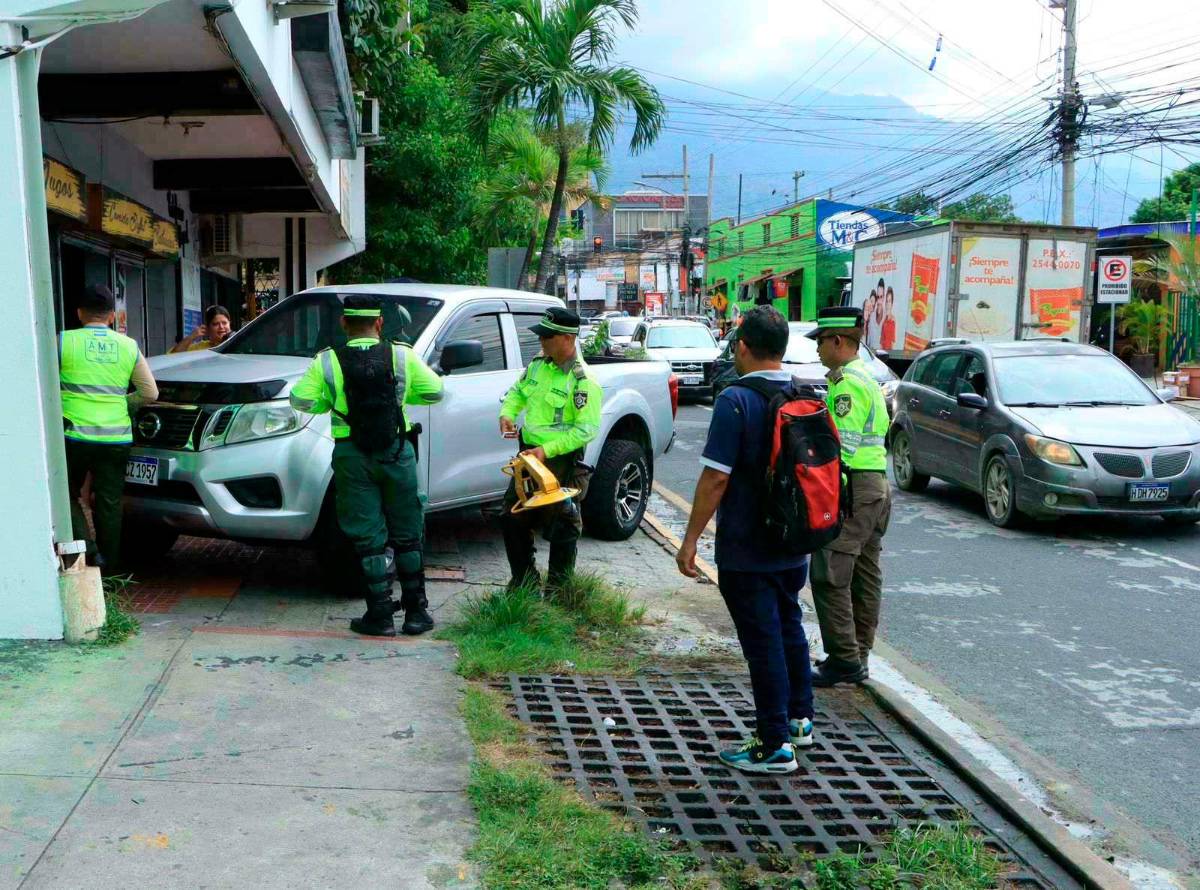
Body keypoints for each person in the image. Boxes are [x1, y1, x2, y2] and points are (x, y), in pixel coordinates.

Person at [677, 305, 815, 775]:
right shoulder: (803, 392)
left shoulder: (735, 400)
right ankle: (799, 720)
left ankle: (773, 743)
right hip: (794, 540)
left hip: (747, 546)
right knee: (789, 626)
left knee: (762, 644)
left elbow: (716, 479)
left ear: (741, 346)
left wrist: (690, 539)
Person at [288, 295, 444, 637]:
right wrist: (403, 397)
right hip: (397, 452)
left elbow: (299, 399)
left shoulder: (327, 361)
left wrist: (332, 401)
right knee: (407, 531)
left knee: (368, 536)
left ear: (344, 324)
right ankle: (416, 613)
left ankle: (380, 615)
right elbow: (436, 393)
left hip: (352, 456)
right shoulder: (402, 355)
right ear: (379, 323)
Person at [806, 307, 892, 686]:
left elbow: (841, 448)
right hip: (875, 486)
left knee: (829, 571)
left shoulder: (848, 385)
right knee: (864, 573)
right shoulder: (867, 379)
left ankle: (844, 658)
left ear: (838, 341)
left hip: (854, 487)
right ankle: (859, 654)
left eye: (821, 342)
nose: (818, 350)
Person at [499, 306, 603, 591]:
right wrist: (507, 414)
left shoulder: (583, 382)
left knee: (563, 526)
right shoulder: (537, 366)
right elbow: (517, 393)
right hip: (528, 457)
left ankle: (559, 591)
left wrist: (547, 450)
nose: (541, 341)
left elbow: (585, 431)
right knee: (512, 517)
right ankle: (524, 583)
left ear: (568, 339)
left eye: (548, 336)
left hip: (559, 461)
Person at [60, 284, 159, 573]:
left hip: (74, 434)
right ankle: (111, 572)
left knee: (67, 493)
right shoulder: (129, 346)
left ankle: (90, 553)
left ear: (79, 313)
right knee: (109, 501)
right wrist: (122, 403)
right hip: (116, 437)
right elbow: (150, 393)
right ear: (112, 317)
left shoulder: (63, 341)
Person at [880, 287, 897, 352]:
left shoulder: (892, 320)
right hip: (883, 352)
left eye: (889, 301)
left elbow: (893, 341)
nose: (887, 303)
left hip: (889, 352)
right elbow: (882, 340)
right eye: (887, 301)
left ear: (892, 303)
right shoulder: (884, 319)